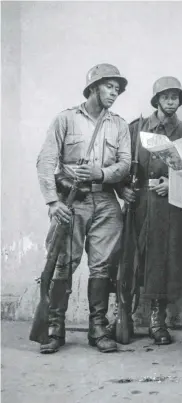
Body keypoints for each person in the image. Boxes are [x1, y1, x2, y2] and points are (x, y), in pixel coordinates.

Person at [36, 63, 131, 354]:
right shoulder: (65, 119)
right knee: (64, 263)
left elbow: (124, 164)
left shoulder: (119, 124)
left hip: (105, 203)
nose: (114, 93)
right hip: (72, 203)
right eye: (109, 87)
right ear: (93, 87)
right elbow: (46, 160)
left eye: (117, 89)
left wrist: (100, 175)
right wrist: (53, 202)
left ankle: (98, 328)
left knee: (102, 266)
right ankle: (54, 328)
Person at [118, 76, 182, 345]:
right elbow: (119, 164)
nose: (171, 101)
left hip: (170, 208)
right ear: (157, 100)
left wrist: (173, 184)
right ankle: (122, 313)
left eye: (175, 97)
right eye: (165, 97)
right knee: (130, 258)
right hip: (138, 205)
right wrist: (121, 190)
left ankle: (157, 321)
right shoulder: (135, 128)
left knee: (163, 261)